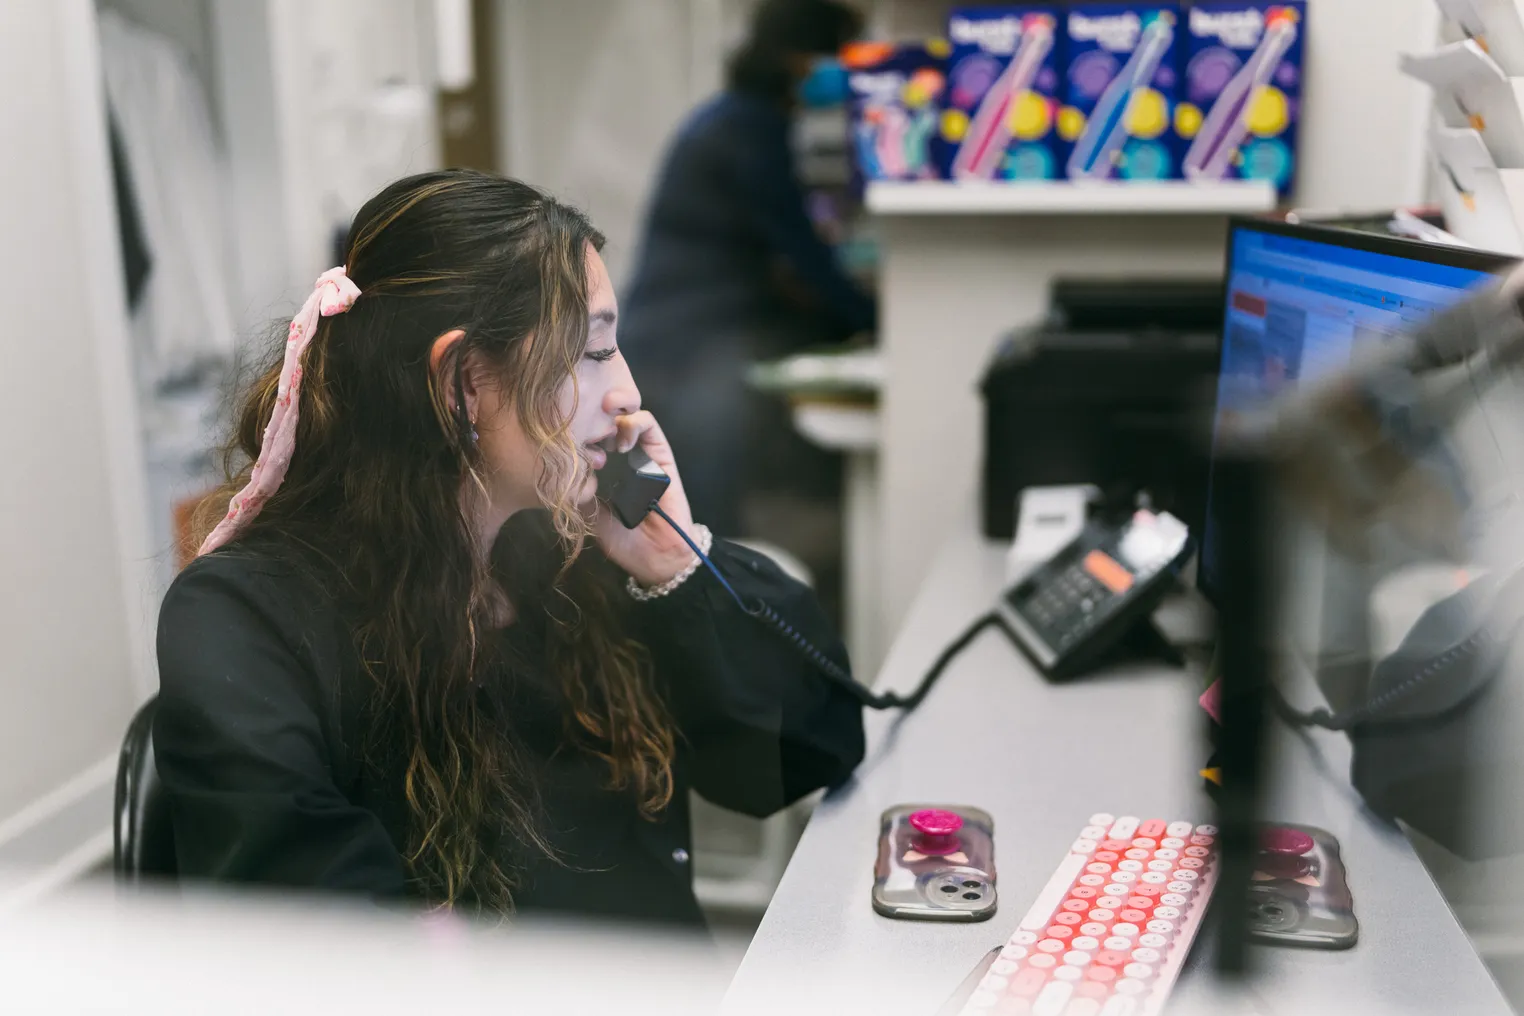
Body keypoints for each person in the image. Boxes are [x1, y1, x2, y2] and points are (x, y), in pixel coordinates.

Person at [154, 169, 865, 924]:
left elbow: (807, 756)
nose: (627, 392)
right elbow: (319, 950)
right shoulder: (246, 619)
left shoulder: (574, 559)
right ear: (462, 381)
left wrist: (674, 566)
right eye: (592, 354)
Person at [619, 0, 876, 538]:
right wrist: (872, 318)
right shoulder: (748, 130)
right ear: (796, 58)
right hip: (689, 346)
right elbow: (805, 254)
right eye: (834, 56)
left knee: (677, 506)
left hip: (681, 337)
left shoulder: (729, 119)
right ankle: (705, 600)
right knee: (696, 515)